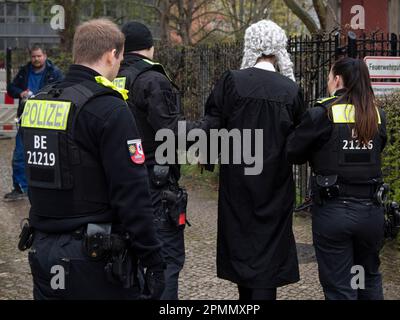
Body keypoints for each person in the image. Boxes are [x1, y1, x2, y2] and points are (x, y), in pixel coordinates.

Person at [20, 19, 165, 300]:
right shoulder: (108, 108)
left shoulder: (39, 102)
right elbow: (132, 193)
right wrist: (153, 258)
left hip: (43, 249)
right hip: (95, 258)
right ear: (112, 54)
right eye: (120, 57)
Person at [203, 20, 304, 300]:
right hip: (275, 188)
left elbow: (211, 127)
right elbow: (299, 141)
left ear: (250, 45)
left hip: (238, 187)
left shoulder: (232, 81)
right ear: (279, 48)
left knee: (242, 255)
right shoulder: (291, 90)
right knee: (268, 261)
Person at [116, 21, 217, 300]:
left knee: (130, 261)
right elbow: (171, 134)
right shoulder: (152, 79)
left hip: (120, 184)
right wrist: (208, 125)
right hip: (155, 186)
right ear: (151, 46)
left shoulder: (112, 77)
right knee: (164, 262)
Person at [287, 57, 387, 300]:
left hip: (335, 214)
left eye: (330, 77)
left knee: (341, 288)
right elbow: (378, 148)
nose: (329, 82)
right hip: (371, 214)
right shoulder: (376, 114)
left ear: (338, 79)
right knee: (366, 280)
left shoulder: (323, 112)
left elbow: (292, 151)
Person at [5, 45, 62, 201]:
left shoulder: (54, 72)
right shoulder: (25, 71)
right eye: (33, 57)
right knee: (19, 154)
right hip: (26, 117)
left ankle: (47, 188)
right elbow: (11, 88)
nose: (36, 59)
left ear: (45, 55)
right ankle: (20, 188)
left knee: (47, 155)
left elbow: (61, 90)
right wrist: (21, 92)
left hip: (46, 119)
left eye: (39, 56)